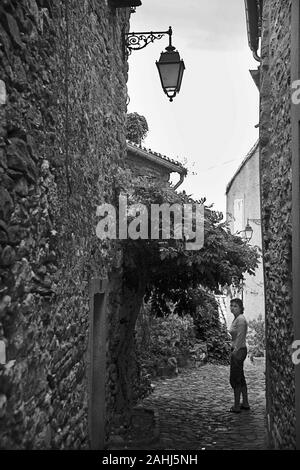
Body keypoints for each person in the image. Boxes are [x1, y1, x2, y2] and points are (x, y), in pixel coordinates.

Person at [228, 298, 250, 413]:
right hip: (238, 349)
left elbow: (240, 338)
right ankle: (245, 403)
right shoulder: (236, 319)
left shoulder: (240, 320)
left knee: (235, 378)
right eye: (231, 305)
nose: (232, 307)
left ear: (241, 308)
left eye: (235, 306)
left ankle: (236, 406)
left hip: (239, 350)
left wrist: (234, 352)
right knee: (240, 377)